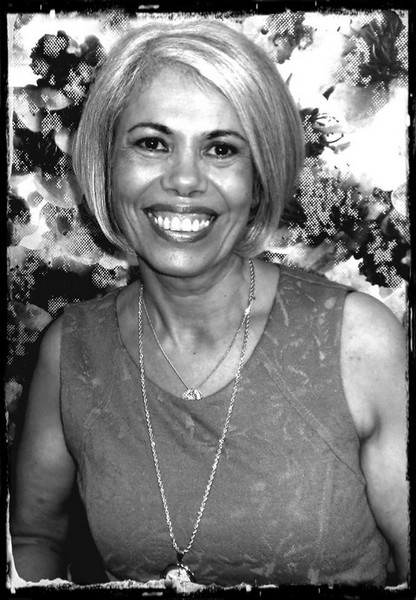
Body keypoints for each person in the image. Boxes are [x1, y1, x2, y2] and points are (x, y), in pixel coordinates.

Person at [10, 19, 408, 588]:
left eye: (221, 149)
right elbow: (34, 540)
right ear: (107, 165)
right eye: (152, 143)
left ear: (259, 178)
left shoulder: (358, 342)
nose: (184, 180)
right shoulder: (71, 353)